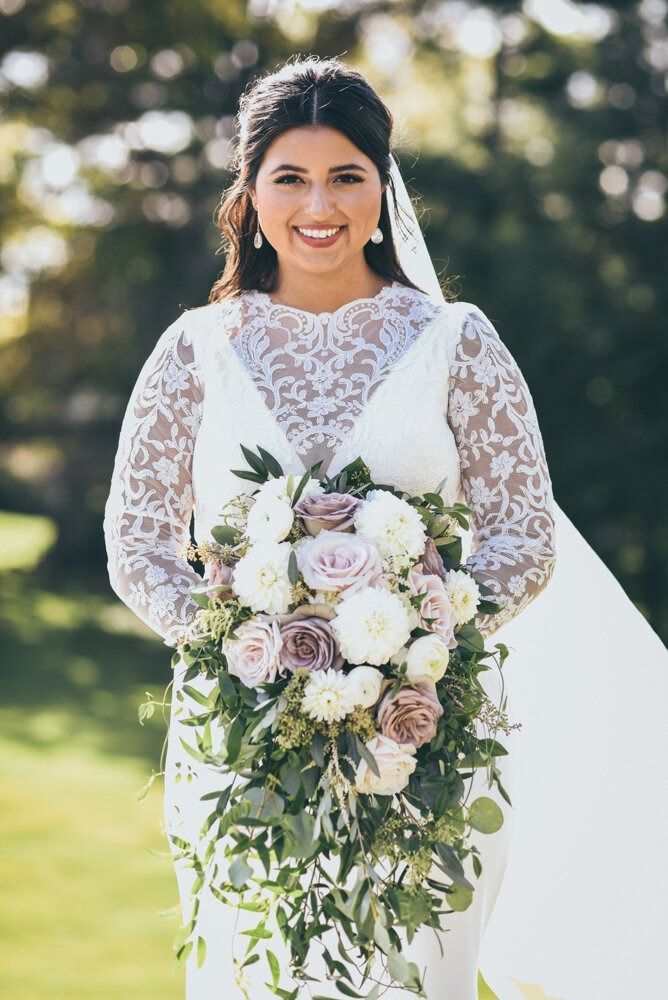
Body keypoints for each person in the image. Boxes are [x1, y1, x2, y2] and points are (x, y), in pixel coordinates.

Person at [103, 56, 668, 1000]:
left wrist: (421, 642)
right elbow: (138, 542)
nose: (318, 204)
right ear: (250, 191)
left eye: (345, 176)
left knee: (417, 970)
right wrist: (240, 642)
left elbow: (524, 537)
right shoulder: (193, 352)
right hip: (243, 735)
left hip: (429, 737)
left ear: (382, 184)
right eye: (290, 177)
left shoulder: (458, 343)